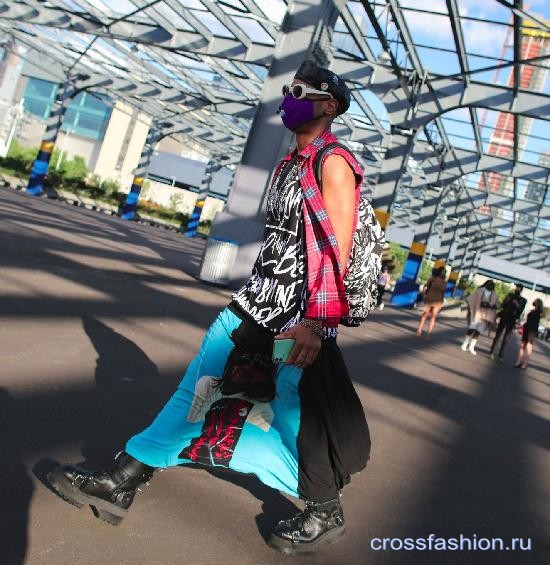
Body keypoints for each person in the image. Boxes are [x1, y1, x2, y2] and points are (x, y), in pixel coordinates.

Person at [47, 61, 372, 555]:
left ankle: (322, 507)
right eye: (289, 89)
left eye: (301, 91)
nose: (291, 97)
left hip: (290, 318)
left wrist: (316, 322)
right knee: (209, 397)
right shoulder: (294, 162)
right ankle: (125, 477)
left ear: (329, 105)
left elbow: (336, 246)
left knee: (285, 414)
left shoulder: (332, 162)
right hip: (258, 305)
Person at [489, 283, 527, 362]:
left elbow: (520, 310)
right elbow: (503, 305)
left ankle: (500, 355)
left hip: (512, 320)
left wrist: (516, 304)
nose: (517, 289)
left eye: (519, 288)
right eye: (516, 287)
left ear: (521, 290)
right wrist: (508, 301)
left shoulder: (523, 300)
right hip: (504, 317)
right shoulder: (510, 295)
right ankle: (492, 351)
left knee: (506, 338)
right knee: (498, 335)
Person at [460, 280, 498, 355]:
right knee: (472, 328)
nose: (491, 286)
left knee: (478, 331)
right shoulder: (479, 291)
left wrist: (493, 306)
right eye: (490, 284)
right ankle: (465, 343)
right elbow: (471, 299)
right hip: (476, 312)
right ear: (486, 284)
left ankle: (471, 346)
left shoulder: (494, 294)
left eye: (492, 285)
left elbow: (497, 304)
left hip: (486, 315)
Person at [416, 266, 446, 337]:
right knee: (431, 316)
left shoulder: (433, 279)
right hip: (435, 300)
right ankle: (425, 332)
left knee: (427, 315)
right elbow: (442, 293)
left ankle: (422, 331)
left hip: (432, 300)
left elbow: (425, 287)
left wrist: (424, 295)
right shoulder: (441, 282)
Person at [515, 298, 544, 369]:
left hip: (532, 330)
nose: (534, 302)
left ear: (538, 303)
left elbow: (543, 315)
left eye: (535, 301)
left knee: (529, 345)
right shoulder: (532, 311)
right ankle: (519, 361)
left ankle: (524, 363)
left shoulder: (540, 312)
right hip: (527, 328)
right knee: (522, 345)